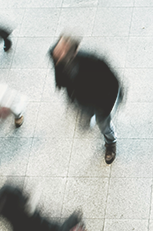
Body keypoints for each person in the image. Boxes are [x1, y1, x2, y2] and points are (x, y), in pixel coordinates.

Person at [49, 35, 122, 164]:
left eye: (61, 52)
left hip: (100, 101)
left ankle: (110, 142)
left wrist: (111, 102)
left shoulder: (93, 61)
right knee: (85, 117)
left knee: (103, 123)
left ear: (74, 52)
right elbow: (59, 72)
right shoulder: (55, 55)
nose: (56, 54)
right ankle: (88, 118)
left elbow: (113, 81)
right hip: (81, 99)